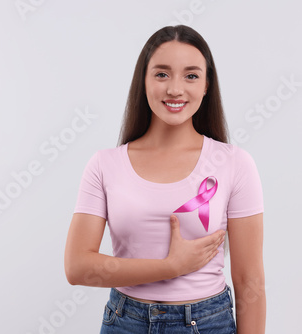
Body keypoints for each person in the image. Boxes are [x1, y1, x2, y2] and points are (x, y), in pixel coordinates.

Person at [64, 25, 265, 334]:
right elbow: (77, 267)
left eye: (191, 75)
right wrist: (170, 268)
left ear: (207, 85)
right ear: (143, 81)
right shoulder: (105, 164)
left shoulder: (235, 163)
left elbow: (249, 279)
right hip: (125, 322)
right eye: (161, 74)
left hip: (208, 323)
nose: (175, 89)